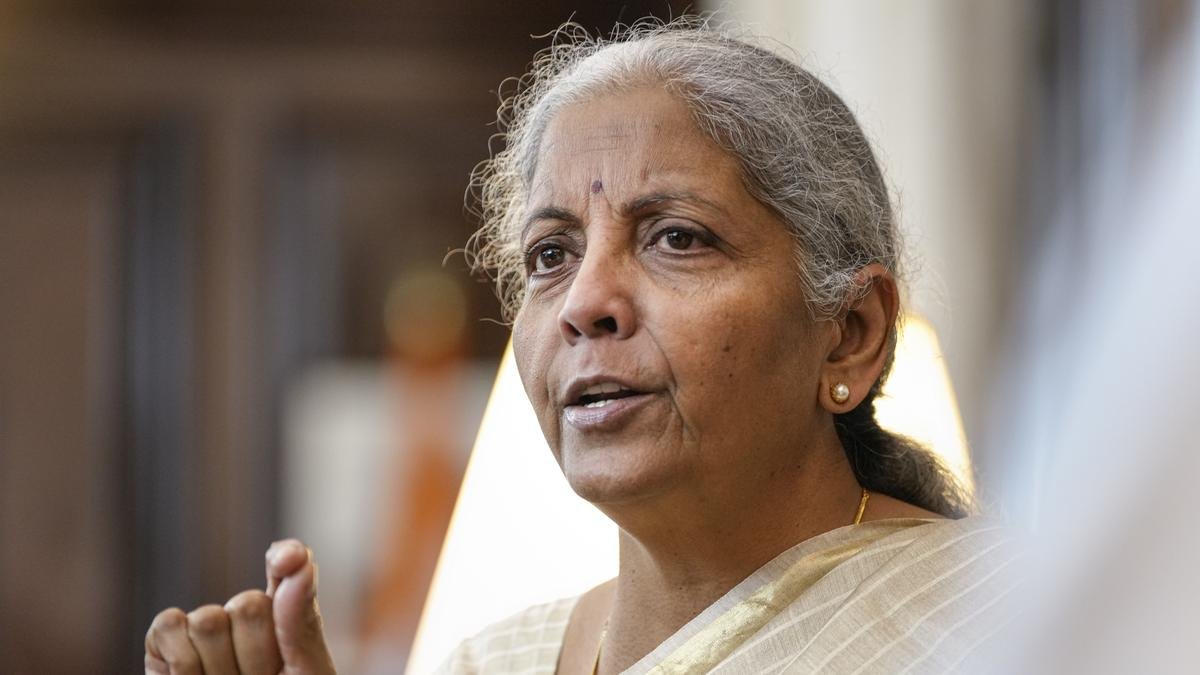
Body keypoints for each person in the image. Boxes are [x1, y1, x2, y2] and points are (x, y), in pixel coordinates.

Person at [144, 19, 1020, 675]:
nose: (585, 303)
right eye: (551, 255)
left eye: (677, 237)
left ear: (851, 335)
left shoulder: (1001, 628)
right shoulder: (492, 662)